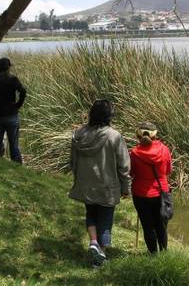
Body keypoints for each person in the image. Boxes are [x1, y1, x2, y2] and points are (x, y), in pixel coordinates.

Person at [68, 99, 131, 267]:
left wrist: (78, 177)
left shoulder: (79, 134)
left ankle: (94, 242)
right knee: (105, 221)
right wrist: (126, 188)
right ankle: (100, 256)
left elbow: (72, 162)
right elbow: (124, 166)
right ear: (109, 116)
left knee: (91, 214)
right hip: (107, 187)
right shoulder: (114, 136)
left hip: (86, 185)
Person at [130, 122, 172, 254]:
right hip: (161, 192)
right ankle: (164, 253)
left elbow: (130, 173)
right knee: (161, 226)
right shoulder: (164, 150)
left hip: (141, 194)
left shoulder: (134, 153)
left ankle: (153, 254)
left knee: (147, 226)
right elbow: (168, 170)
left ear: (138, 135)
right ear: (155, 134)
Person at [0, 57, 26, 163]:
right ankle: (17, 166)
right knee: (14, 146)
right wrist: (18, 105)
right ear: (8, 68)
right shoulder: (12, 79)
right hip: (11, 115)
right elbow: (23, 91)